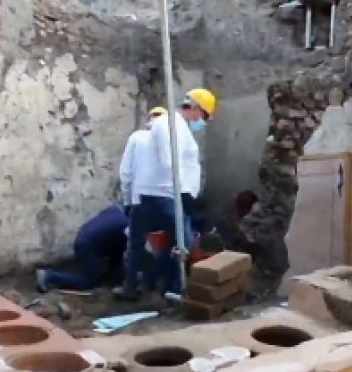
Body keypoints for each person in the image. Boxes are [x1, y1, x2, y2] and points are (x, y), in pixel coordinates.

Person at [118, 88, 218, 300]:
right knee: (184, 243)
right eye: (204, 115)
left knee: (141, 245)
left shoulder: (178, 127)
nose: (203, 121)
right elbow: (168, 161)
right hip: (166, 195)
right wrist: (182, 193)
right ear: (196, 108)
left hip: (159, 193)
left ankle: (142, 286)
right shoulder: (167, 124)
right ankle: (167, 286)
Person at [36, 204, 129, 292]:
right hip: (87, 247)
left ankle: (112, 271)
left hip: (83, 238)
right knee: (87, 282)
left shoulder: (115, 210)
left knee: (119, 242)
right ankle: (49, 276)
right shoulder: (126, 224)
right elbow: (132, 248)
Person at [119, 106, 168, 213]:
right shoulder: (171, 141)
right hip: (166, 202)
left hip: (139, 201)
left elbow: (125, 172)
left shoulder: (136, 137)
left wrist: (127, 201)